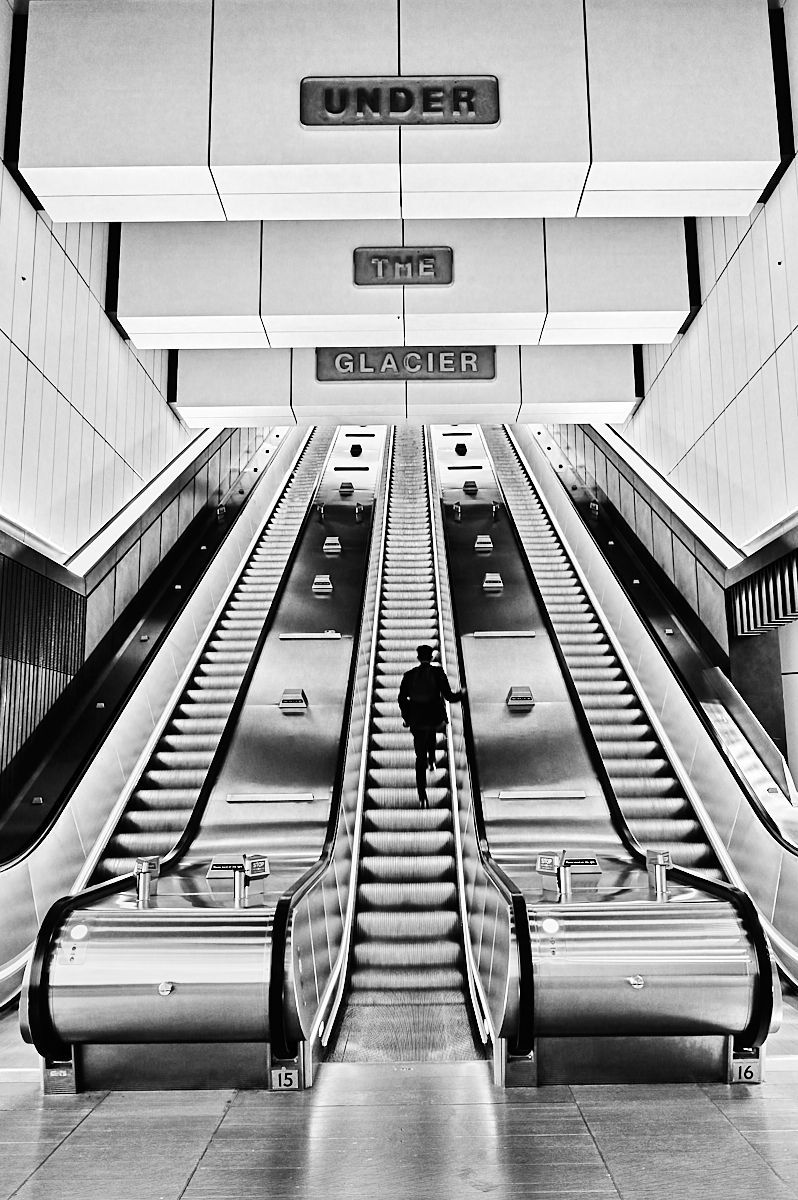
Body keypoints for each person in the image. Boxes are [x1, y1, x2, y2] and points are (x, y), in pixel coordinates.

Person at [398, 645, 465, 807]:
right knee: (433, 732)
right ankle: (433, 760)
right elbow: (449, 696)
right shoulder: (438, 673)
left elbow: (401, 699)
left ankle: (422, 796)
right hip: (434, 717)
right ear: (432, 657)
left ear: (418, 658)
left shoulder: (409, 675)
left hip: (416, 720)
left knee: (419, 756)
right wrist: (463, 693)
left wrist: (407, 717)